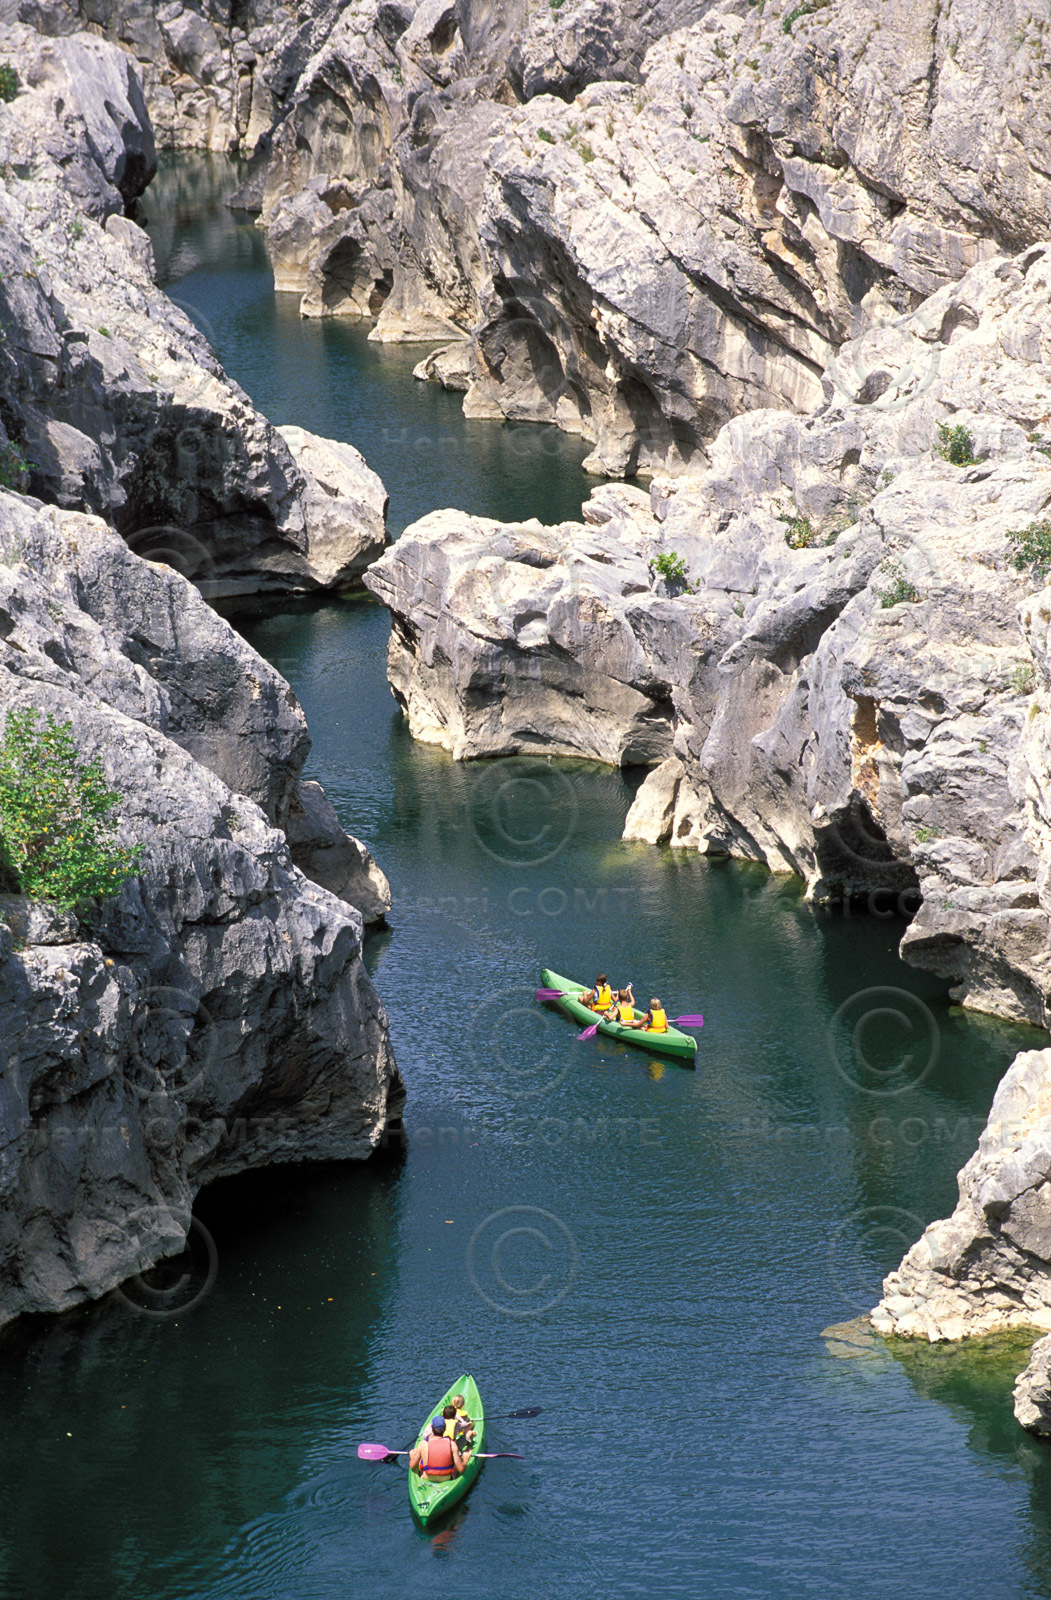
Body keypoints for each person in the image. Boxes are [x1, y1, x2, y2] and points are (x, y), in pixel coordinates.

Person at [409, 1415, 471, 1480]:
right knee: (459, 1460)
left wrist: (412, 1456)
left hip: (427, 1477)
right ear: (445, 1429)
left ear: (432, 1429)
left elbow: (412, 1466)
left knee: (414, 1454)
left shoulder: (423, 1444)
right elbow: (461, 1469)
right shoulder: (452, 1444)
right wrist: (466, 1458)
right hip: (447, 1478)